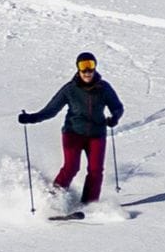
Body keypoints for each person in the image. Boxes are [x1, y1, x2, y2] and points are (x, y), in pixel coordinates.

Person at [19, 53, 124, 206]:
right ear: (78, 69)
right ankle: (54, 199)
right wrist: (31, 118)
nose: (87, 71)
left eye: (90, 66)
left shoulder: (104, 88)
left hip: (97, 134)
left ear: (95, 67)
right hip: (73, 133)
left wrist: (115, 117)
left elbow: (117, 107)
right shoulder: (70, 89)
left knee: (96, 170)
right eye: (83, 67)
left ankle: (89, 204)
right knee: (71, 167)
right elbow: (51, 110)